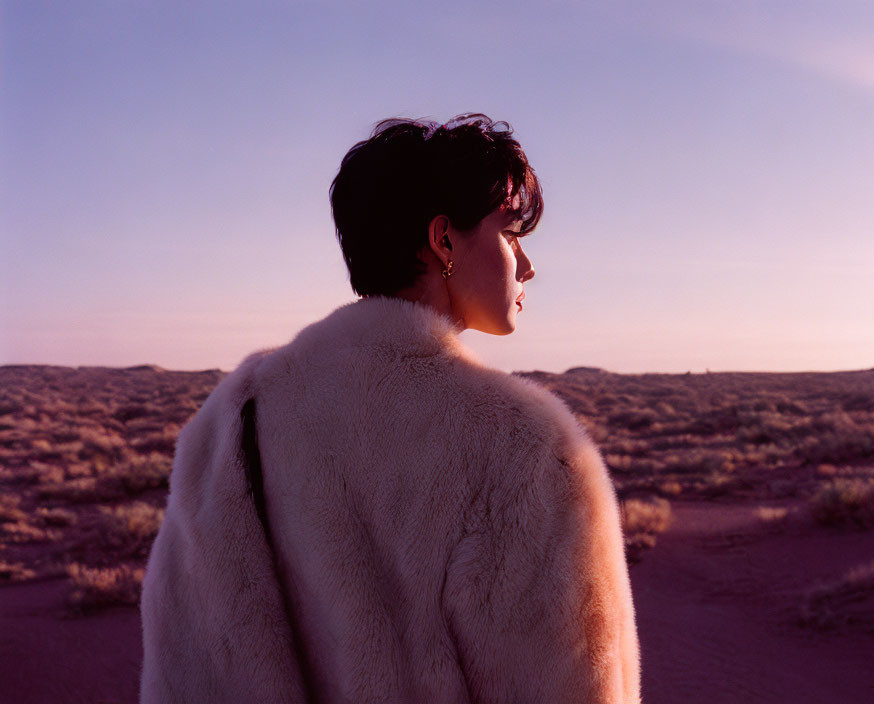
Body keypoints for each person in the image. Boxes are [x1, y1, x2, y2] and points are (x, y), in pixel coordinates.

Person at [140, 114, 640, 703]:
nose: (527, 265)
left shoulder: (234, 416)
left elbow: (186, 667)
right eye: (510, 233)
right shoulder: (525, 448)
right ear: (444, 239)